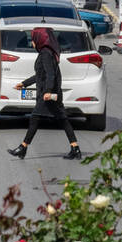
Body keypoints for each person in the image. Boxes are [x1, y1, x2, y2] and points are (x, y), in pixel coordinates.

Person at [7, 27, 82, 162]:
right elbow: (41, 74)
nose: (32, 43)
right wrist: (25, 84)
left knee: (35, 118)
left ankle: (22, 148)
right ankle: (75, 148)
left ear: (40, 39)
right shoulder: (47, 52)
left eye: (33, 39)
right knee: (63, 119)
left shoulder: (46, 54)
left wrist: (47, 91)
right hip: (53, 92)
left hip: (48, 94)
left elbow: (50, 75)